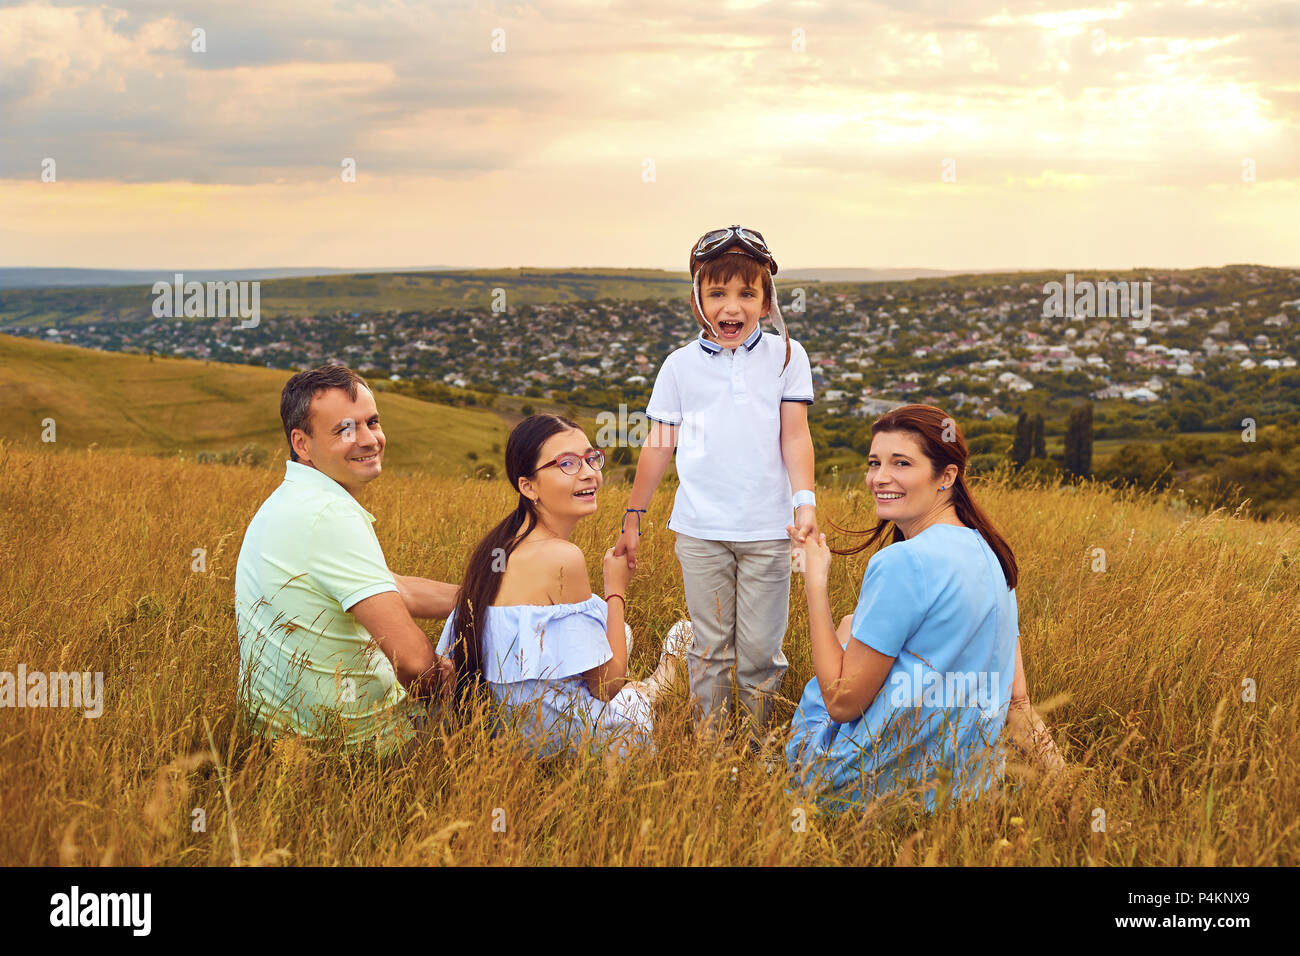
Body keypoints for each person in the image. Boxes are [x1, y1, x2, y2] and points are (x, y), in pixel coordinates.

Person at [787, 404, 1064, 811]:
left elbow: (843, 702)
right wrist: (1072, 791)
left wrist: (815, 582)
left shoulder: (902, 562)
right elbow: (1018, 705)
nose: (880, 478)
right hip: (960, 795)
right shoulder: (994, 558)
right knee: (852, 624)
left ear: (947, 476)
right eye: (874, 463)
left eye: (901, 463)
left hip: (859, 789)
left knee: (845, 629)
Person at [614, 225, 816, 741]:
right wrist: (633, 516)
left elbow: (794, 438)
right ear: (698, 298)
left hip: (770, 532)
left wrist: (804, 503)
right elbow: (659, 445)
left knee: (759, 652)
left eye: (747, 293)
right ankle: (711, 748)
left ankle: (753, 742)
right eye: (718, 292)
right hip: (701, 531)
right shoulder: (679, 367)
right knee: (710, 647)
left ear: (766, 300)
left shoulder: (787, 357)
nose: (732, 306)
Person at [235, 364, 458, 757]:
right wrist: (462, 685)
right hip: (354, 745)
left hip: (284, 737)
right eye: (345, 430)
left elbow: (394, 587)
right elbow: (414, 663)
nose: (369, 439)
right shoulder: (329, 515)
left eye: (372, 422)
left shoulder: (295, 497)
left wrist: (494, 595)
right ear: (302, 444)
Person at [436, 414, 685, 758]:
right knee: (631, 707)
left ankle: (649, 689)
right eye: (566, 463)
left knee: (617, 634)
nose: (587, 472)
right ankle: (653, 691)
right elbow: (607, 686)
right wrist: (616, 589)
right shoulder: (563, 557)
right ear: (528, 486)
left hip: (496, 730)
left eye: (590, 458)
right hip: (553, 736)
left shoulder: (498, 547)